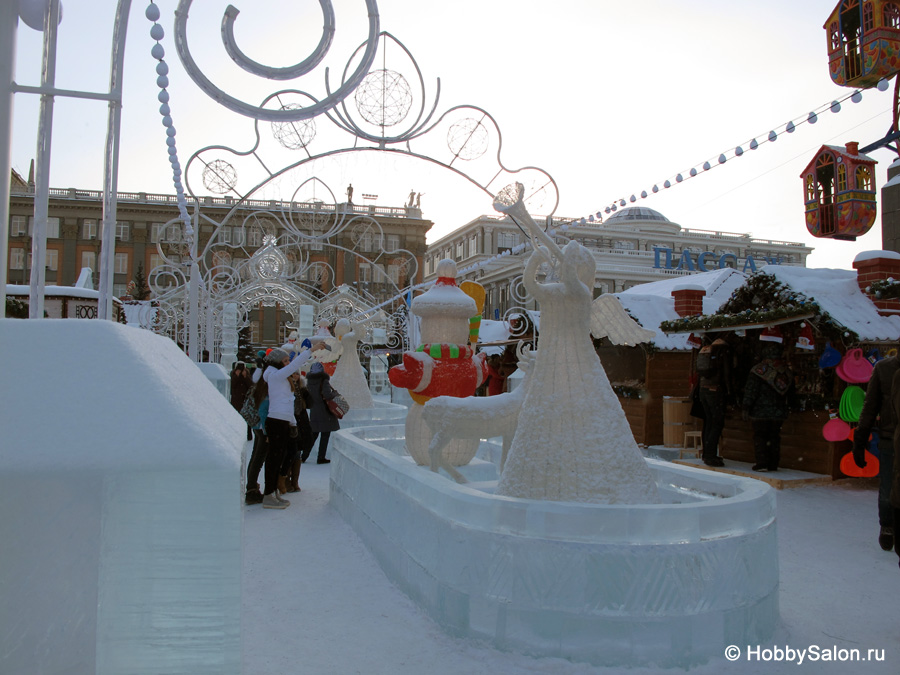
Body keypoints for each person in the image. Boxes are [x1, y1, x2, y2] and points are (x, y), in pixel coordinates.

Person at [261, 343, 323, 509]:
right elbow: (296, 365)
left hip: (283, 421)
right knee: (274, 459)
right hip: (276, 421)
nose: (288, 363)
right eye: (285, 360)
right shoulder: (275, 375)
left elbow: (288, 402)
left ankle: (273, 491)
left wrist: (293, 423)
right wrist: (311, 350)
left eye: (288, 360)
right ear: (278, 362)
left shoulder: (280, 376)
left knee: (280, 457)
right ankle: (268, 494)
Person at [854, 352, 899, 552]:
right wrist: (860, 439)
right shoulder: (884, 368)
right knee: (889, 487)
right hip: (890, 438)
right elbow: (870, 406)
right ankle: (888, 526)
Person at [742, 342, 795, 472]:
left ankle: (761, 461)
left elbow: (751, 390)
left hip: (759, 411)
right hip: (778, 412)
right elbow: (792, 393)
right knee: (774, 437)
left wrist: (746, 406)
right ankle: (773, 463)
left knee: (760, 436)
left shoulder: (758, 370)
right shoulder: (786, 371)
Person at [697, 335, 732, 467]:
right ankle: (711, 456)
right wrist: (730, 391)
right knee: (717, 423)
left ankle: (706, 453)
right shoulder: (722, 350)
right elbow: (726, 372)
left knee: (708, 422)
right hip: (715, 390)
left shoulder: (705, 349)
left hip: (703, 389)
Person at [306, 361, 340, 464]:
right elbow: (327, 395)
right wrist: (334, 394)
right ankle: (321, 457)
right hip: (324, 410)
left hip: (314, 410)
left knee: (313, 435)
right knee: (325, 435)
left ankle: (304, 455)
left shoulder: (309, 381)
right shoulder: (323, 380)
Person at [244, 376, 269, 505]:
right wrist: (266, 432)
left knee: (255, 457)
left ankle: (251, 485)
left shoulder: (258, 386)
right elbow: (263, 411)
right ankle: (251, 490)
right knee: (258, 459)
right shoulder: (265, 389)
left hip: (256, 426)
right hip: (261, 427)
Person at [230, 362, 253, 441]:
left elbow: (251, 386)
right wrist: (236, 375)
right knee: (236, 418)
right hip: (236, 400)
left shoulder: (247, 374)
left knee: (246, 418)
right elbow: (232, 385)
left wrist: (245, 376)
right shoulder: (233, 374)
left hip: (245, 400)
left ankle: (248, 435)